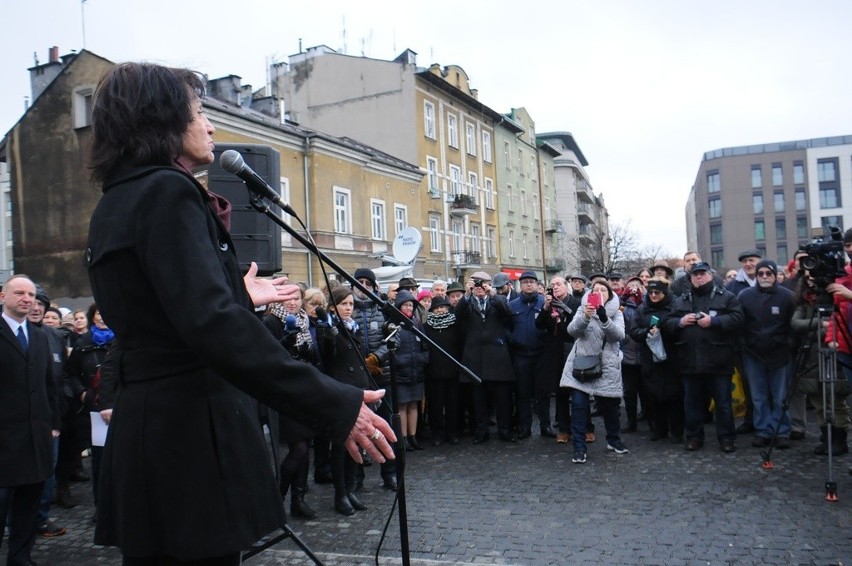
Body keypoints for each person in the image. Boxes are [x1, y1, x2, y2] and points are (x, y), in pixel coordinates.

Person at [85, 62, 395, 564]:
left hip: (151, 430)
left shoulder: (113, 204)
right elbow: (213, 327)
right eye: (200, 111)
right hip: (192, 435)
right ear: (162, 120)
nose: (210, 125)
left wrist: (234, 292)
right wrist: (332, 403)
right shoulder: (168, 191)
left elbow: (167, 313)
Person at [0, 274, 60, 566]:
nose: (27, 299)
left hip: (36, 439)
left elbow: (50, 384)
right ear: (3, 297)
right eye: (20, 293)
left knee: (29, 505)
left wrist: (54, 423)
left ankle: (20, 557)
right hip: (3, 441)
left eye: (31, 295)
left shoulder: (39, 336)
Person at [663, 261, 743, 453]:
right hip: (690, 360)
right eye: (695, 275)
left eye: (702, 274)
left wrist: (714, 321)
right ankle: (694, 437)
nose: (699, 277)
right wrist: (680, 322)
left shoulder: (727, 297)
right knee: (692, 404)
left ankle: (726, 438)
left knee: (723, 404)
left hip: (718, 360)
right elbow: (668, 323)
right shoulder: (682, 299)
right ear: (690, 278)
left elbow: (738, 319)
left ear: (711, 276)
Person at [262, 290, 320, 520]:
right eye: (288, 298)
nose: (293, 302)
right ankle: (275, 503)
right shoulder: (271, 321)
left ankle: (298, 500)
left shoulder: (304, 321)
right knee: (299, 449)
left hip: (304, 391)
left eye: (297, 298)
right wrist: (285, 342)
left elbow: (315, 358)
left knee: (305, 447)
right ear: (277, 300)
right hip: (283, 394)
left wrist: (309, 352)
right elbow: (265, 356)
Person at [317, 286, 373, 516]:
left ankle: (351, 490)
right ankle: (340, 494)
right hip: (340, 393)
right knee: (341, 446)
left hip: (358, 392)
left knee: (356, 444)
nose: (348, 308)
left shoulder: (354, 328)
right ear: (333, 307)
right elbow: (328, 353)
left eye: (351, 304)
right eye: (344, 304)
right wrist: (330, 334)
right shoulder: (328, 329)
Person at [560, 280, 628, 464]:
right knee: (579, 406)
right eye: (595, 290)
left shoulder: (616, 313)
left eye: (603, 290)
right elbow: (571, 331)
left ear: (609, 294)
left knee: (609, 407)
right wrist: (585, 318)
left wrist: (604, 318)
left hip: (606, 366)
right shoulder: (583, 310)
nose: (598, 292)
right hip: (581, 366)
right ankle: (579, 448)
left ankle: (614, 441)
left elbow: (619, 336)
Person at [737, 260, 796, 448]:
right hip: (753, 354)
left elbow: (794, 327)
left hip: (780, 353)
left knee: (780, 396)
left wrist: (787, 344)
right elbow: (739, 323)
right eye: (760, 273)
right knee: (758, 396)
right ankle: (763, 430)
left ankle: (782, 431)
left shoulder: (788, 297)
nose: (764, 277)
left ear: (775, 275)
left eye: (768, 273)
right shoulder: (744, 296)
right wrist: (745, 344)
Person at [455, 271, 517, 443]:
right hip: (475, 357)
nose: (479, 287)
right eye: (476, 283)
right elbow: (457, 315)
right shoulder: (467, 303)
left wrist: (492, 295)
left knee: (502, 398)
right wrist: (467, 294)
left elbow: (508, 312)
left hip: (498, 357)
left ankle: (504, 429)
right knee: (478, 398)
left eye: (483, 283)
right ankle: (482, 431)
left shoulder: (498, 300)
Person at [27, 289, 69, 538]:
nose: (35, 307)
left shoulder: (52, 336)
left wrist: (56, 420)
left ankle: (40, 519)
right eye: (31, 301)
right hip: (18, 422)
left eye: (40, 303)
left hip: (49, 418)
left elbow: (58, 379)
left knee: (47, 473)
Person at [629, 277, 683, 442]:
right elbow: (634, 330)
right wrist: (646, 332)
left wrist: (666, 329)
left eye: (657, 292)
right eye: (651, 292)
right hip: (650, 357)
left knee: (674, 397)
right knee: (653, 395)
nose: (653, 295)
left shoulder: (675, 306)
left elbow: (681, 327)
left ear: (664, 292)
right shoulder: (642, 309)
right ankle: (659, 430)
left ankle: (677, 431)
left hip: (672, 356)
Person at [509, 271, 555, 439]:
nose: (529, 284)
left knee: (543, 393)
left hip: (541, 353)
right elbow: (507, 328)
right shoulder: (513, 305)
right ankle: (524, 427)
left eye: (532, 282)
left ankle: (545, 426)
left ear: (537, 284)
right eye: (525, 282)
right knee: (523, 393)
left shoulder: (545, 303)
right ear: (521, 285)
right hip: (521, 354)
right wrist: (513, 339)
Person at [536, 276, 581, 443]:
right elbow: (539, 325)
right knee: (560, 392)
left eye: (558, 284)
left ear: (566, 286)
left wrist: (563, 310)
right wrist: (546, 307)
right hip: (554, 352)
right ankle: (564, 429)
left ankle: (585, 427)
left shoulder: (575, 302)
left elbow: (578, 322)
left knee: (578, 392)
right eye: (552, 285)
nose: (555, 287)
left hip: (573, 349)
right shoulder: (549, 304)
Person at [391, 291, 430, 450]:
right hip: (401, 372)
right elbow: (390, 348)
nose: (409, 308)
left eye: (411, 305)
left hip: (416, 370)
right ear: (399, 306)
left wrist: (423, 358)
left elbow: (425, 345)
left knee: (414, 405)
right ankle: (403, 438)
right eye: (406, 305)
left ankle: (413, 436)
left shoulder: (417, 323)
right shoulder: (394, 324)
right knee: (402, 406)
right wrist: (398, 361)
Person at [423, 295, 462, 446]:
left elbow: (459, 346)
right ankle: (436, 434)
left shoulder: (455, 325)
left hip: (452, 372)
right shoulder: (426, 327)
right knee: (435, 406)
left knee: (453, 405)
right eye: (437, 308)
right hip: (433, 373)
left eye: (442, 307)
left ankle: (452, 433)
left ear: (448, 308)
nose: (440, 310)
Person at [620, 276, 645, 432]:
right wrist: (623, 297)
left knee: (647, 390)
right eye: (631, 285)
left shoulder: (647, 302)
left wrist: (641, 300)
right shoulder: (622, 306)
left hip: (644, 353)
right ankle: (631, 422)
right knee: (629, 391)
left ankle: (650, 419)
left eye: (638, 285)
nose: (635, 288)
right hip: (627, 352)